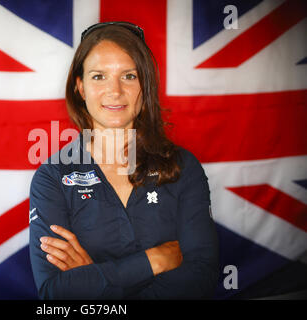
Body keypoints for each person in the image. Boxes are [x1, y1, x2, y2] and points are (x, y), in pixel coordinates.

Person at [28, 21, 219, 299]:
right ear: (80, 87)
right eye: (98, 76)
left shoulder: (183, 167)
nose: (114, 91)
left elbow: (201, 277)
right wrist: (153, 260)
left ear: (146, 84)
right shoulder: (52, 177)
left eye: (129, 76)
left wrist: (96, 280)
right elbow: (54, 293)